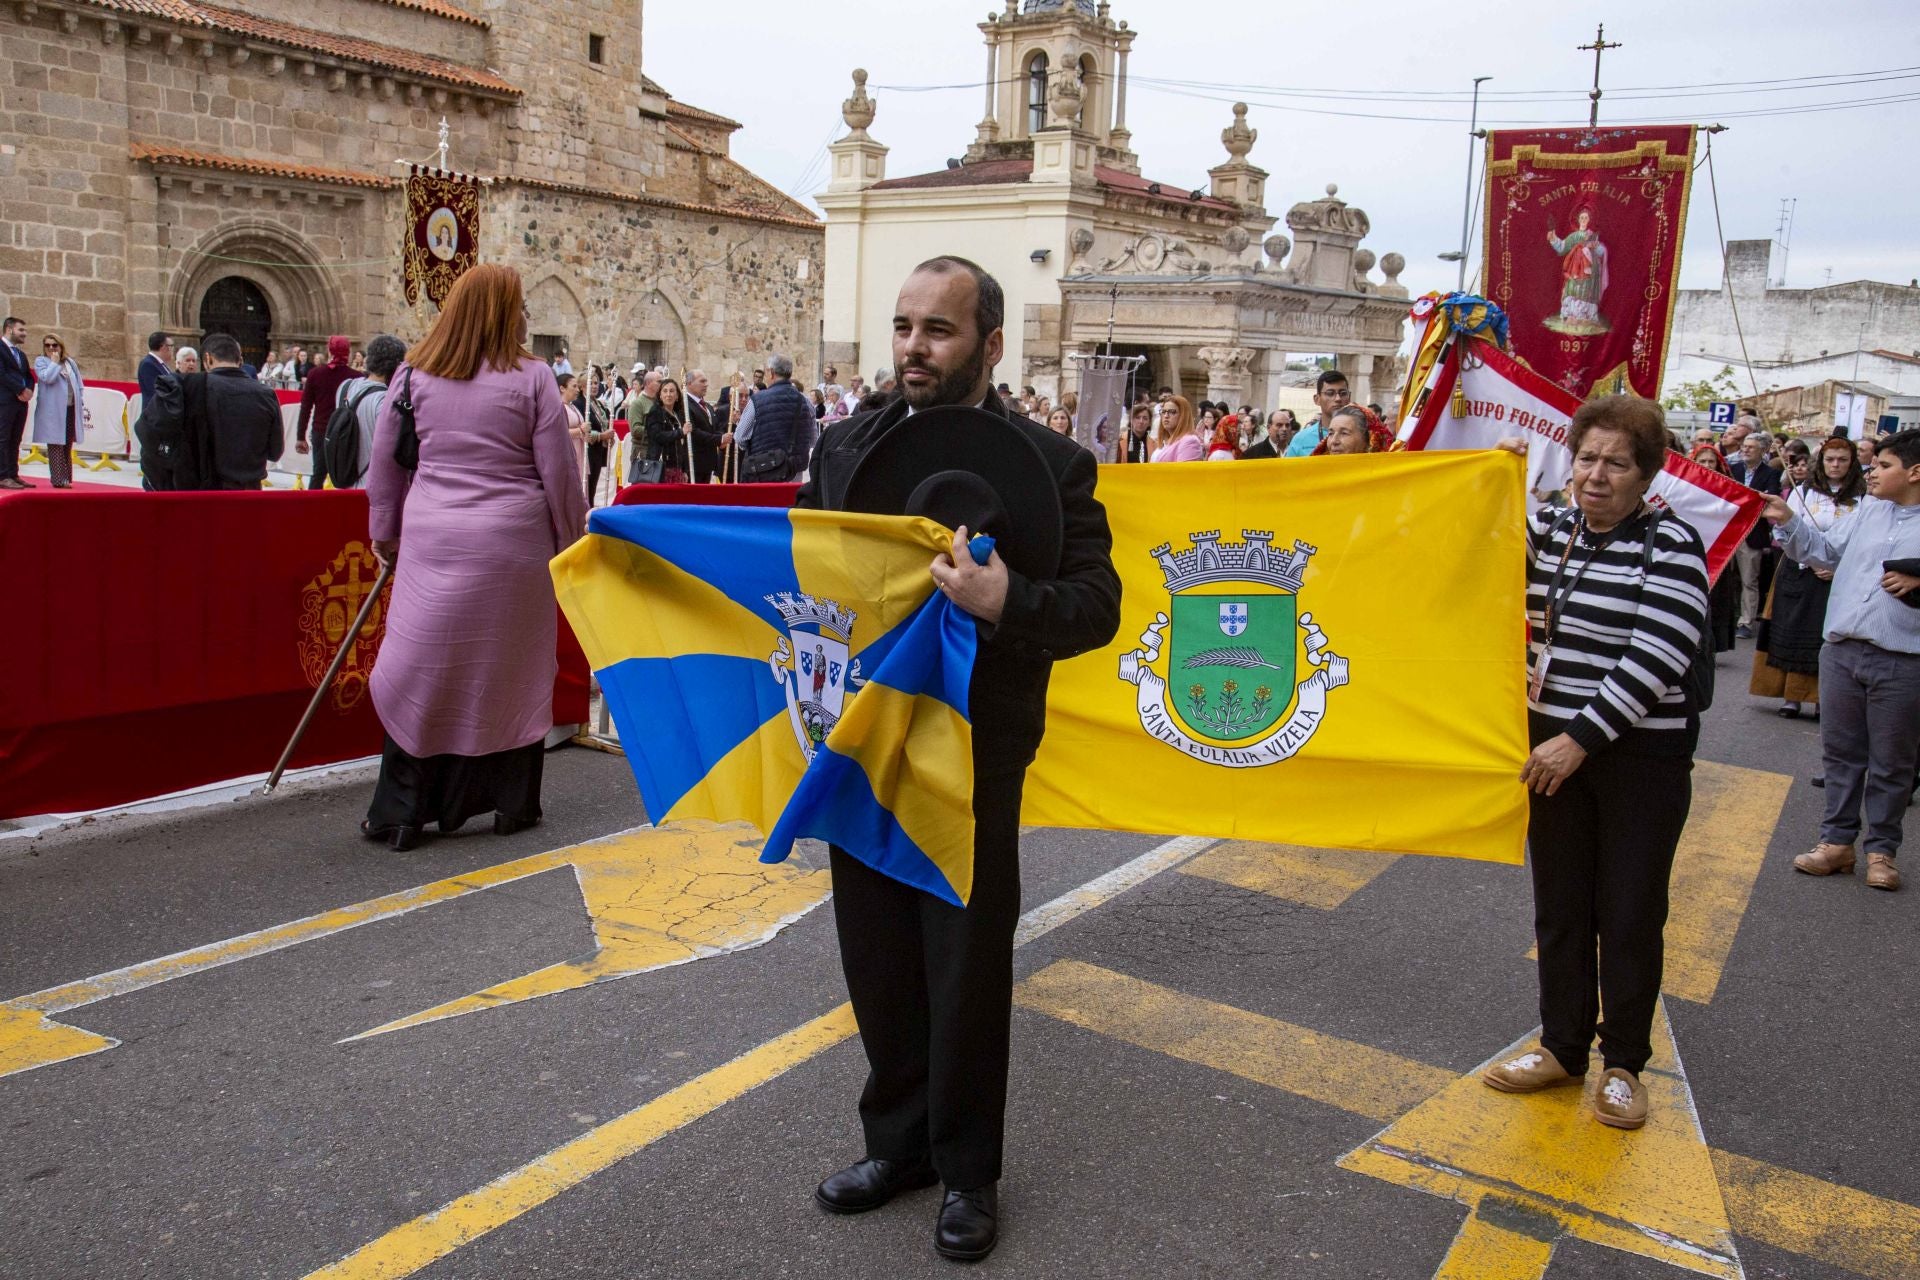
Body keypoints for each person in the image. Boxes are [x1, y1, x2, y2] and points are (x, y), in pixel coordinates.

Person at [795, 254, 1119, 1261]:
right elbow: (803, 568)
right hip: (865, 742)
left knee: (966, 965)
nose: (912, 348)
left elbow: (1099, 608)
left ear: (989, 343)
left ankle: (968, 1171)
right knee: (878, 956)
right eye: (901, 326)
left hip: (980, 750)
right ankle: (897, 1145)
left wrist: (1006, 600)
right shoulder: (844, 446)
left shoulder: (1056, 467)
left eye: (936, 329)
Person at [1481, 395, 1709, 1132]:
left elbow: (1659, 653)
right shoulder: (1549, 527)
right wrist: (1494, 479)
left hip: (1636, 754)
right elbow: (1481, 557)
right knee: (1562, 907)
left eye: (1617, 462)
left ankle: (1624, 1065)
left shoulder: (1670, 544)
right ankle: (1561, 1046)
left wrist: (1580, 737)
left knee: (1631, 910)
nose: (1597, 475)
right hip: (1553, 748)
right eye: (1586, 458)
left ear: (1645, 474)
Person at [361, 264, 588, 850]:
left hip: (433, 536)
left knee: (423, 667)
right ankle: (512, 803)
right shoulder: (535, 378)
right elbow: (558, 472)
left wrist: (383, 532)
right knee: (508, 671)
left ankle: (405, 809)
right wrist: (572, 541)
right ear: (505, 313)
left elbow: (385, 463)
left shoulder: (413, 374)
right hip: (513, 543)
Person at [1760, 429, 1920, 892]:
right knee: (1841, 756)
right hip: (1842, 650)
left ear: (1914, 473)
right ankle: (1836, 844)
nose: (1871, 471)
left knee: (1893, 763)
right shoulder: (1868, 511)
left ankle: (1882, 851)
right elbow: (1824, 550)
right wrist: (1788, 519)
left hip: (1904, 659)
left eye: (1884, 465)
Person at [1751, 435, 1866, 718]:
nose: (1835, 465)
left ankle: (1821, 701)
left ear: (1852, 464)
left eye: (1842, 460)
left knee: (1824, 638)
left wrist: (1835, 566)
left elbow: (1863, 539)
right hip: (1800, 572)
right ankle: (1791, 698)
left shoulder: (1864, 498)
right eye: (1830, 459)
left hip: (1840, 577)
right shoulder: (1804, 492)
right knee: (1791, 633)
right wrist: (1813, 562)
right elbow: (1785, 528)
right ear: (1821, 461)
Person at [198, 332, 284, 489]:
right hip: (250, 489)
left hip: (209, 490)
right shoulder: (266, 393)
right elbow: (275, 451)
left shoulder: (197, 389)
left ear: (208, 359)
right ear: (241, 360)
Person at [327, 334, 405, 490]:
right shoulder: (384, 401)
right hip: (372, 486)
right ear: (395, 366)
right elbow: (391, 451)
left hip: (344, 482)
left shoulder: (345, 387)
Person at [1688, 444, 1743, 657]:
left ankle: (1712, 645)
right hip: (1691, 550)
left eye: (1711, 462)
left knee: (1716, 602)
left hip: (1716, 552)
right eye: (1702, 461)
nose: (1707, 465)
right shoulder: (1686, 487)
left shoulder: (1727, 489)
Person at [1729, 431, 1784, 638]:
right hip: (1730, 532)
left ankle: (1746, 622)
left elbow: (1767, 500)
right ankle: (1727, 619)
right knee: (1724, 580)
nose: (1745, 449)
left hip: (1752, 535)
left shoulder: (1771, 474)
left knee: (1748, 580)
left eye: (1751, 447)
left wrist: (1742, 501)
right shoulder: (1732, 469)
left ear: (1763, 451)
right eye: (1744, 445)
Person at [730, 352, 812, 482]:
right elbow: (811, 436)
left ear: (772, 373)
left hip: (763, 468)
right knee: (789, 502)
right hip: (793, 469)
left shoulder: (757, 399)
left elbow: (740, 436)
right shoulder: (804, 401)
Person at [299, 336, 356, 490]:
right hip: (347, 432)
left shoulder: (315, 374)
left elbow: (306, 407)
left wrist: (300, 436)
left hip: (322, 429)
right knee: (347, 474)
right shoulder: (357, 377)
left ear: (329, 351)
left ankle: (311, 509)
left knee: (318, 473)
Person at [31, 332, 87, 489]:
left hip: (70, 408)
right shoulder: (41, 361)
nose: (51, 348)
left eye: (54, 345)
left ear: (61, 347)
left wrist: (80, 399)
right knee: (55, 444)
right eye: (47, 345)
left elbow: (79, 383)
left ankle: (67, 478)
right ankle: (57, 480)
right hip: (52, 411)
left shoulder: (69, 362)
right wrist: (54, 363)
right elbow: (47, 378)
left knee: (67, 444)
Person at [1284, 370, 1352, 457]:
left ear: (1349, 397)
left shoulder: (1362, 437)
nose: (1338, 399)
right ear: (1317, 399)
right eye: (1330, 393)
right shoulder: (1301, 440)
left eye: (1343, 393)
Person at [0, 317, 32, 490]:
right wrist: (20, 389)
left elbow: (28, 375)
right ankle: (2, 475)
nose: (24, 334)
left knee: (15, 439)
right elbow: (2, 374)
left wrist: (29, 389)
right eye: (21, 330)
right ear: (9, 329)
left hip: (20, 403)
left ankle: (13, 474)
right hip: (4, 401)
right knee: (3, 438)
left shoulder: (20, 354)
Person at [642, 376, 694, 483]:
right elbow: (657, 436)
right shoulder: (655, 412)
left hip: (677, 466)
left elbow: (682, 445)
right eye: (665, 391)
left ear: (677, 396)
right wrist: (680, 432)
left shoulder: (679, 415)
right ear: (660, 395)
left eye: (672, 391)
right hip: (661, 466)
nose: (668, 394)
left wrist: (684, 470)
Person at [682, 369, 724, 484]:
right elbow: (694, 432)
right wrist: (718, 439)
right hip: (694, 463)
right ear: (689, 383)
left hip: (709, 463)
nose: (706, 384)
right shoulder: (684, 404)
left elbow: (716, 426)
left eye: (706, 381)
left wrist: (722, 438)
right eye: (702, 381)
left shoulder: (707, 406)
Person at [582, 367, 615, 504]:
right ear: (582, 386)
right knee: (586, 487)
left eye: (596, 383)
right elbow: (585, 430)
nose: (594, 386)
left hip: (597, 451)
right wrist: (602, 436)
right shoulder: (580, 403)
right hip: (587, 452)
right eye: (591, 383)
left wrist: (608, 437)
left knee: (593, 488)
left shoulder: (596, 403)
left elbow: (604, 423)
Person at [1150, 395, 1202, 462]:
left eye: (1172, 412)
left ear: (1183, 416)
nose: (1166, 416)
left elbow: (1185, 471)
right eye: (1163, 411)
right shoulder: (1166, 441)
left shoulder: (1190, 441)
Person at [558, 372, 588, 484]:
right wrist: (580, 430)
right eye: (574, 386)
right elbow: (559, 432)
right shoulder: (558, 407)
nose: (577, 390)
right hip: (568, 451)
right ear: (562, 388)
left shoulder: (573, 406)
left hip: (579, 450)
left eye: (577, 387)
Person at [138, 330, 173, 404]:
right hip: (155, 411)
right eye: (171, 346)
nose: (172, 349)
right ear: (164, 347)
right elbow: (155, 391)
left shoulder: (160, 363)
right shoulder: (148, 364)